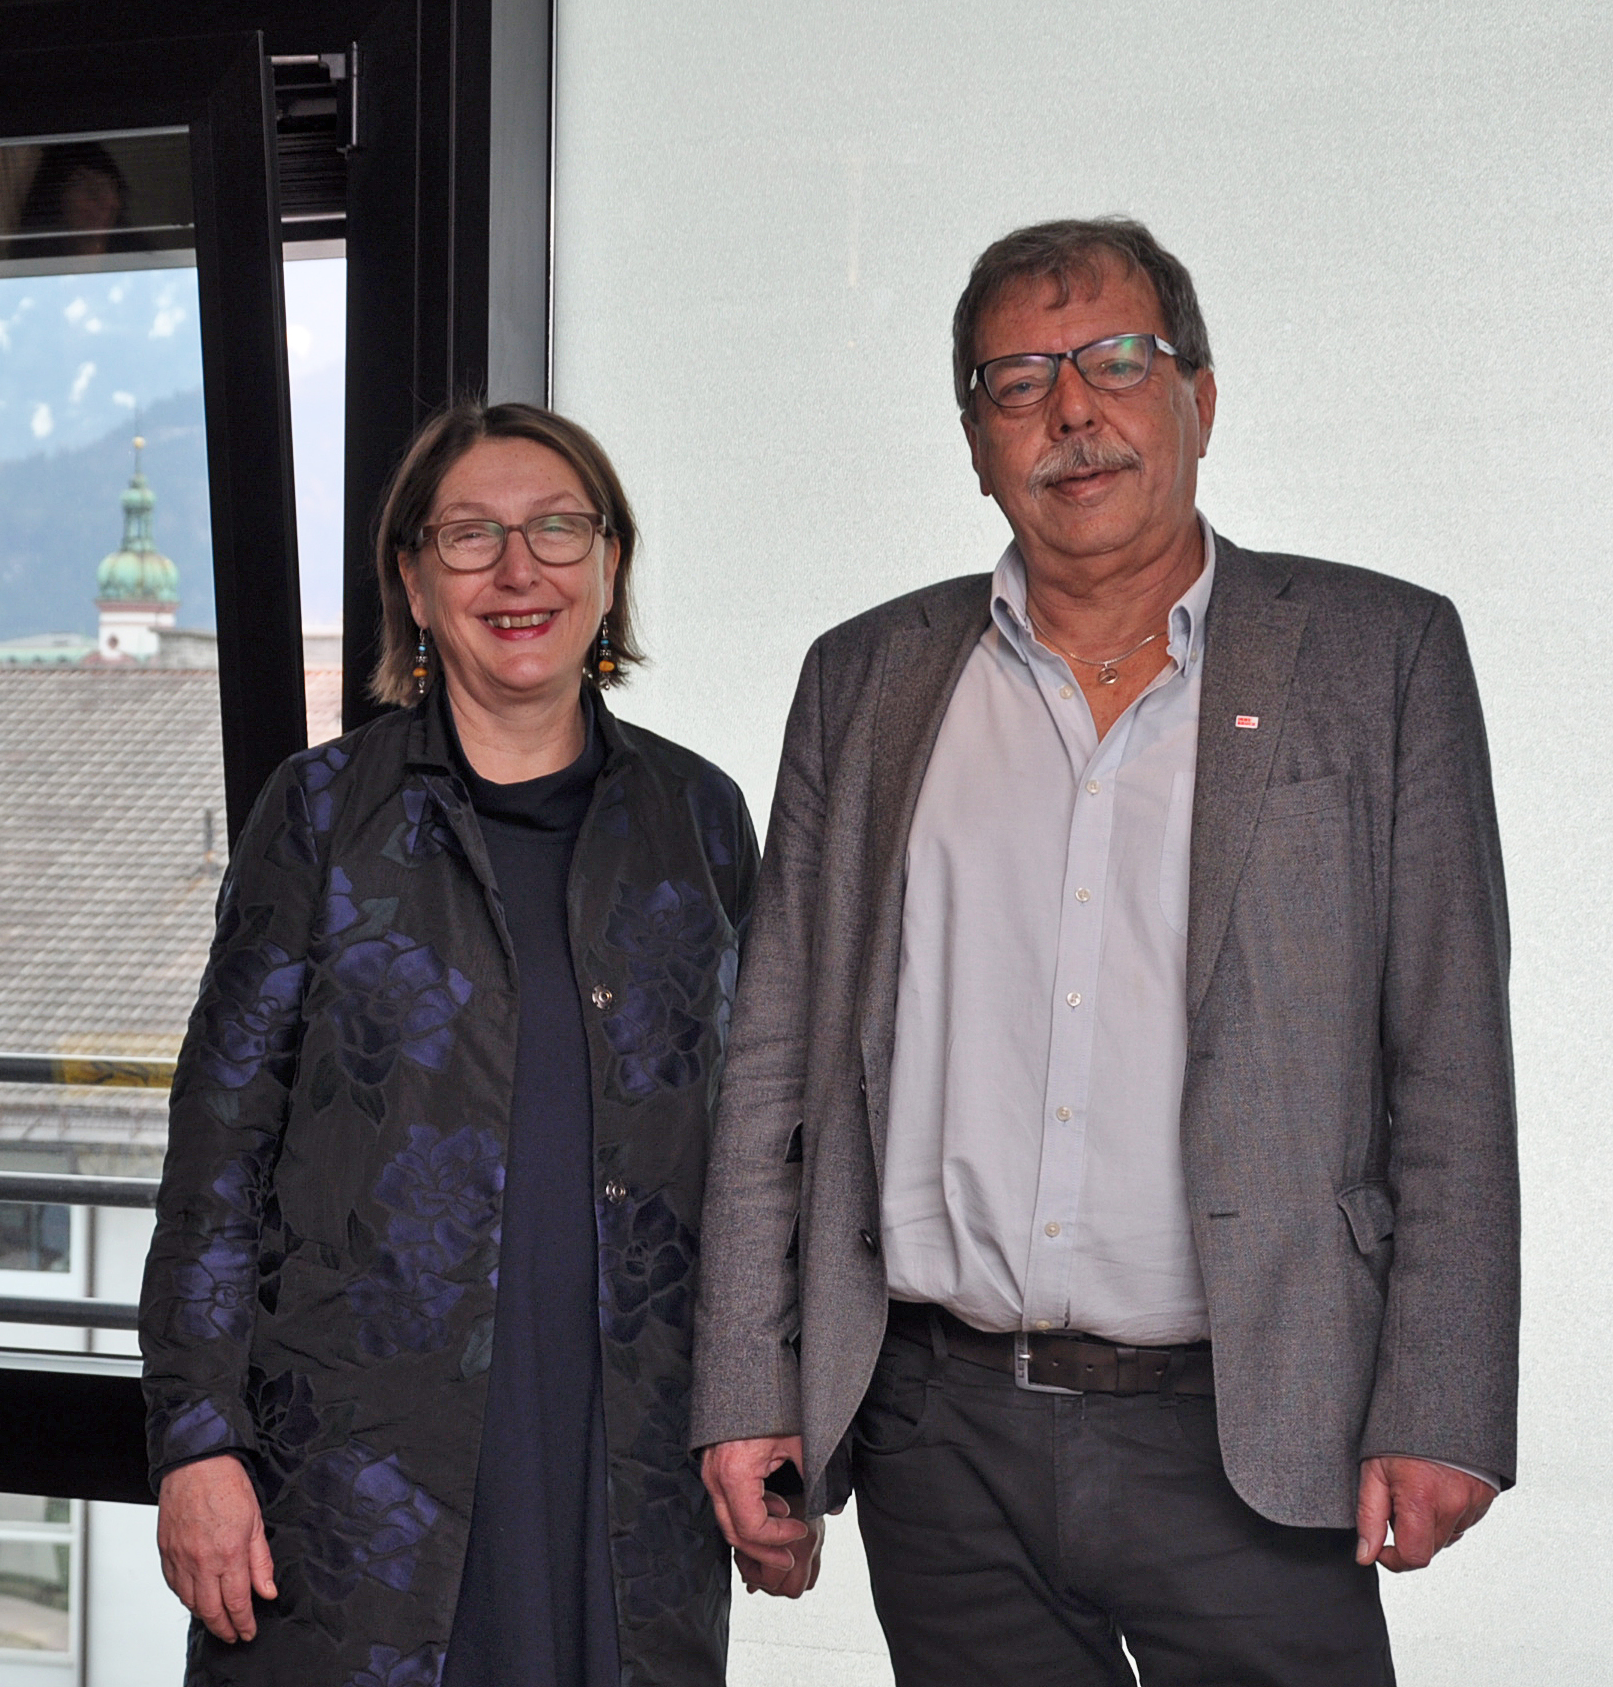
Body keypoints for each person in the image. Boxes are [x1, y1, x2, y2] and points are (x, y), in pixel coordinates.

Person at [692, 217, 1517, 1684]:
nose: (1072, 410)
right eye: (1018, 380)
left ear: (1200, 397)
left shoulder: (1378, 658)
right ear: (973, 438)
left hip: (1254, 1422)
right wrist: (749, 1383)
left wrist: (1441, 1397)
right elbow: (776, 1062)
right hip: (942, 1435)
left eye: (1117, 360)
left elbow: (1449, 1056)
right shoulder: (869, 678)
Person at [142, 401, 776, 1683]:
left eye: (557, 529)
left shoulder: (698, 819)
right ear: (414, 586)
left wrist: (774, 1408)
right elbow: (218, 1150)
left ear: (612, 568)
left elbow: (770, 1144)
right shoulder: (319, 815)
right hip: (356, 1468)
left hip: (627, 1453)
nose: (518, 569)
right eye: (471, 536)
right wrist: (195, 1443)